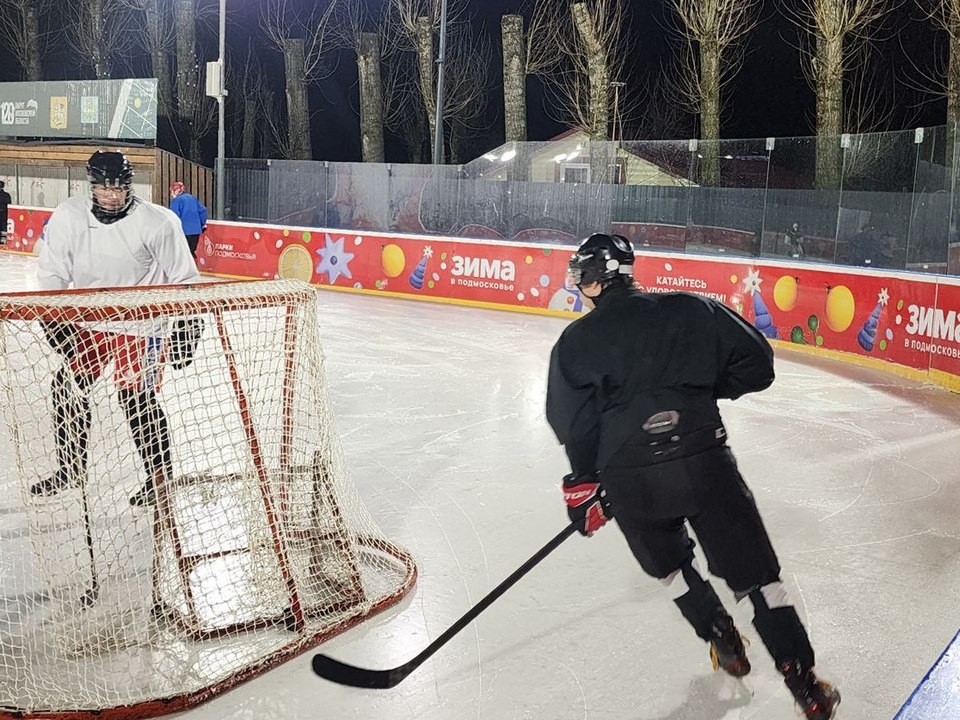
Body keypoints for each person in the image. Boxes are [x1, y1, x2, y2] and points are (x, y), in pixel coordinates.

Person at [546, 232, 840, 720]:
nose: (579, 284)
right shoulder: (692, 308)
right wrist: (699, 394)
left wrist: (585, 482)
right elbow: (758, 364)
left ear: (598, 278)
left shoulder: (576, 341)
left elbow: (572, 422)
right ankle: (804, 685)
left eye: (583, 274)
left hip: (631, 478)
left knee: (669, 569)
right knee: (758, 580)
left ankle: (721, 636)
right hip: (705, 463)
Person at [33, 151, 201, 507]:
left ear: (129, 185)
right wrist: (53, 316)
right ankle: (70, 467)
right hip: (90, 320)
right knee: (65, 388)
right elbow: (52, 273)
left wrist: (188, 325)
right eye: (104, 187)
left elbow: (185, 280)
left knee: (136, 399)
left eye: (119, 187)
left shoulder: (158, 222)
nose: (112, 194)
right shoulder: (67, 216)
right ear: (91, 185)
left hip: (141, 325)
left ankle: (159, 478)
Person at [169, 181, 207, 259]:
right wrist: (202, 224)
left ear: (176, 190)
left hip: (183, 231)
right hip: (196, 231)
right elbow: (203, 210)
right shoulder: (192, 198)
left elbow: (174, 216)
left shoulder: (177, 200)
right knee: (191, 251)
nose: (171, 193)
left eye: (172, 191)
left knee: (183, 253)